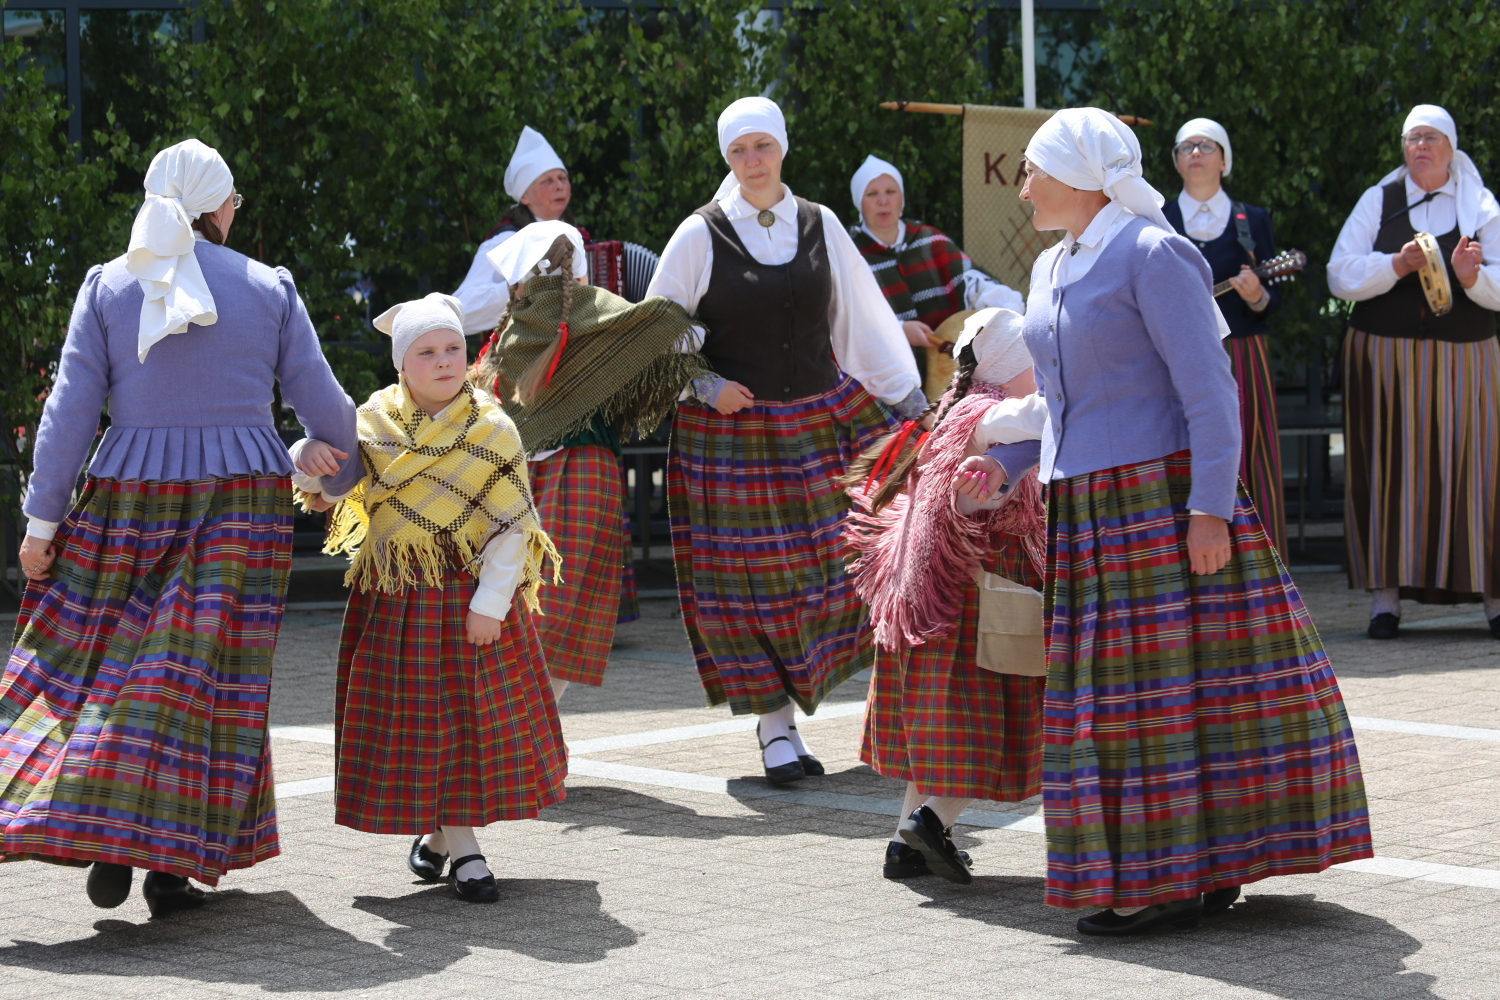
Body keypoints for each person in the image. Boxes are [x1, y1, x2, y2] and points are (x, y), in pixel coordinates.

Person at [956, 108, 1373, 935]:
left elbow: (1211, 393)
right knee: (1117, 701)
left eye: (1033, 171)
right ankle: (1186, 872)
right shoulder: (1051, 266)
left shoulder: (1155, 252)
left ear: (1078, 175)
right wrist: (1009, 460)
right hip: (1086, 510)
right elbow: (1067, 401)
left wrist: (1210, 510)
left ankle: (1171, 879)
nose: (1024, 188)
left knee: (1163, 699)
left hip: (1161, 501)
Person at [0, 139, 361, 917]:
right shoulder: (267, 286)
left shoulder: (107, 284)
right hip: (241, 505)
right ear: (216, 204)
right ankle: (169, 864)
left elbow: (67, 412)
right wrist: (340, 476)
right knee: (207, 679)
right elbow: (323, 403)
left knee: (102, 664)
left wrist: (41, 523)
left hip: (126, 499)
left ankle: (104, 830)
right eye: (234, 199)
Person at [645, 97, 926, 784]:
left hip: (818, 425)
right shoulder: (700, 234)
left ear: (782, 147)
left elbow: (861, 319)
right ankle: (775, 727)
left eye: (762, 146)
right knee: (756, 583)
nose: (753, 161)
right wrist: (706, 385)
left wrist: (911, 403)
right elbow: (653, 333)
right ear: (726, 158)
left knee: (845, 567)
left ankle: (882, 710)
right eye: (739, 150)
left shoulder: (819, 222)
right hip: (733, 436)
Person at [295, 292, 566, 903]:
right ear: (401, 363)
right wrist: (306, 456)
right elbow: (325, 486)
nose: (444, 361)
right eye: (426, 352)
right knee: (422, 722)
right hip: (396, 596)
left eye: (453, 348)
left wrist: (490, 605)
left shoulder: (493, 428)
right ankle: (460, 844)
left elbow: (513, 525)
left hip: (469, 592)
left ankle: (452, 841)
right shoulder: (371, 423)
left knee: (469, 720)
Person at [843, 308, 1046, 883]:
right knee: (985, 723)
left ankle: (904, 846)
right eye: (1037, 363)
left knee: (943, 730)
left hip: (942, 600)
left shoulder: (958, 410)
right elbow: (1045, 413)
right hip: (979, 602)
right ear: (1011, 368)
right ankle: (932, 820)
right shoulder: (989, 414)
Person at [472, 221, 711, 702]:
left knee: (517, 599)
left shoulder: (512, 326)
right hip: (584, 473)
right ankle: (538, 718)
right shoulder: (593, 308)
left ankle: (522, 719)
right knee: (566, 606)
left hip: (517, 478)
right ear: (578, 267)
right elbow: (683, 337)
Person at [1327, 104, 1500, 640]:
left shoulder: (1481, 206)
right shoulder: (1379, 200)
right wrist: (1396, 265)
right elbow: (1339, 275)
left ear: (1451, 147)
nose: (1420, 146)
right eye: (1412, 138)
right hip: (1385, 359)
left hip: (1466, 358)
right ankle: (1386, 602)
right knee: (1388, 470)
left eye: (1431, 138)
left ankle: (1493, 600)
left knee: (1476, 469)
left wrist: (1471, 279)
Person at [1163, 118, 1288, 554]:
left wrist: (1257, 297)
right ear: (1176, 161)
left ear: (1224, 160)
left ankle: (1258, 562)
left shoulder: (1252, 221)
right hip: (1172, 358)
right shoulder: (1158, 220)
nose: (1196, 153)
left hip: (1242, 355)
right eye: (1186, 147)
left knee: (1249, 450)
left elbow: (1275, 303)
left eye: (1206, 145)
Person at [849, 154, 1025, 377]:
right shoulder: (849, 253)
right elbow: (845, 318)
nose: (883, 201)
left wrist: (1006, 311)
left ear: (902, 198)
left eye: (891, 192)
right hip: (881, 377)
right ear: (859, 202)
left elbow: (973, 283)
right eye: (872, 194)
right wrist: (899, 330)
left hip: (946, 373)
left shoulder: (930, 241)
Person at [453, 126, 578, 336]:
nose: (559, 186)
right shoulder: (507, 240)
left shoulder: (577, 236)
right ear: (524, 197)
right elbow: (462, 311)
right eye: (546, 181)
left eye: (562, 178)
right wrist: (515, 289)